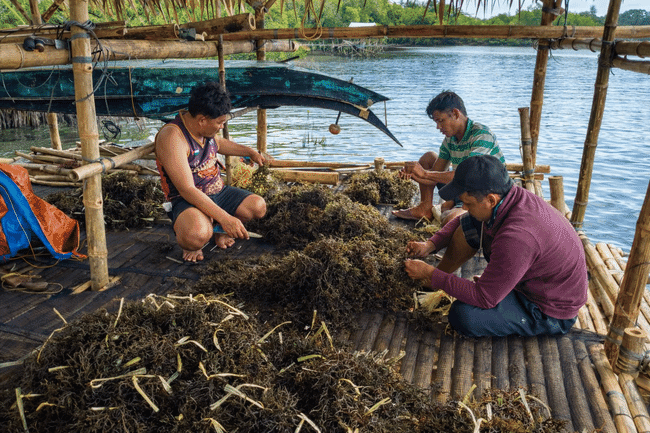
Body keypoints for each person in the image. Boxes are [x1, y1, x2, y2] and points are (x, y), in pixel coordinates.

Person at [404, 155, 588, 337]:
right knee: (473, 223)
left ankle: (529, 317)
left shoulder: (518, 237)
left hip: (548, 309)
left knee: (464, 315)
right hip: (532, 280)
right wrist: (430, 245)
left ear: (491, 199)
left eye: (468, 203)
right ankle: (499, 286)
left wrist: (431, 274)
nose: (464, 208)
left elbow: (485, 298)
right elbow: (464, 220)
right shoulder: (510, 197)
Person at [155, 81, 267, 262]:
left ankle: (218, 231)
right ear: (202, 120)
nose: (222, 127)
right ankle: (191, 242)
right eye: (220, 123)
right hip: (188, 201)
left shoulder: (205, 129)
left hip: (218, 192)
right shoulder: (173, 137)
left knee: (258, 207)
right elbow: (187, 190)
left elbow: (219, 144)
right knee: (197, 235)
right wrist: (226, 218)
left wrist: (250, 152)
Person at [392, 91, 505, 225]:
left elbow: (466, 176)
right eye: (436, 122)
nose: (438, 127)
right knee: (428, 158)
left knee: (449, 219)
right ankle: (425, 208)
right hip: (461, 188)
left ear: (456, 114)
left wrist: (424, 173)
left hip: (482, 194)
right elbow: (433, 176)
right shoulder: (450, 139)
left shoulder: (482, 135)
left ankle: (456, 206)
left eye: (441, 120)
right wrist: (414, 175)